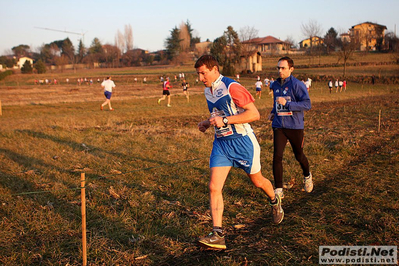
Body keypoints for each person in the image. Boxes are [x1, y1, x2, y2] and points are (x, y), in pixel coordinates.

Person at [195, 55, 283, 250]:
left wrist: (226, 121)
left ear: (215, 69)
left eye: (203, 73)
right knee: (213, 187)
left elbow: (254, 114)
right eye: (198, 74)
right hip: (222, 145)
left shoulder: (232, 86)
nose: (201, 78)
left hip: (243, 143)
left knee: (258, 181)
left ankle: (274, 200)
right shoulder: (208, 90)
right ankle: (217, 234)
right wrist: (208, 122)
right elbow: (220, 113)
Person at [268, 56, 313, 200]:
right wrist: (273, 112)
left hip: (295, 126)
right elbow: (277, 103)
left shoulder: (297, 85)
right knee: (277, 157)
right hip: (279, 126)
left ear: (291, 69)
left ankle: (307, 176)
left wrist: (288, 105)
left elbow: (307, 104)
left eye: (283, 68)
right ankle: (279, 189)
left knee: (299, 155)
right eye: (278, 68)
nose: (280, 71)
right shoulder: (275, 85)